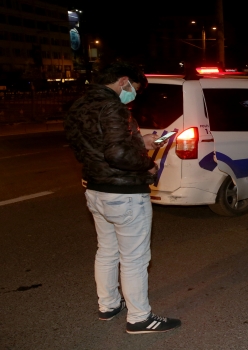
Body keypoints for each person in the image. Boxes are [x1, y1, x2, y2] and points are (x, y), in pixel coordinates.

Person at [64, 62, 181, 334]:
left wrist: (142, 142)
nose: (133, 95)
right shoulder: (114, 107)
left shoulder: (78, 106)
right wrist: (147, 165)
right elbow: (116, 154)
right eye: (134, 89)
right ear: (123, 81)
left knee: (106, 251)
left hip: (96, 189)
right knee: (134, 259)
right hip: (125, 193)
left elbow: (91, 145)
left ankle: (108, 305)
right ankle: (140, 318)